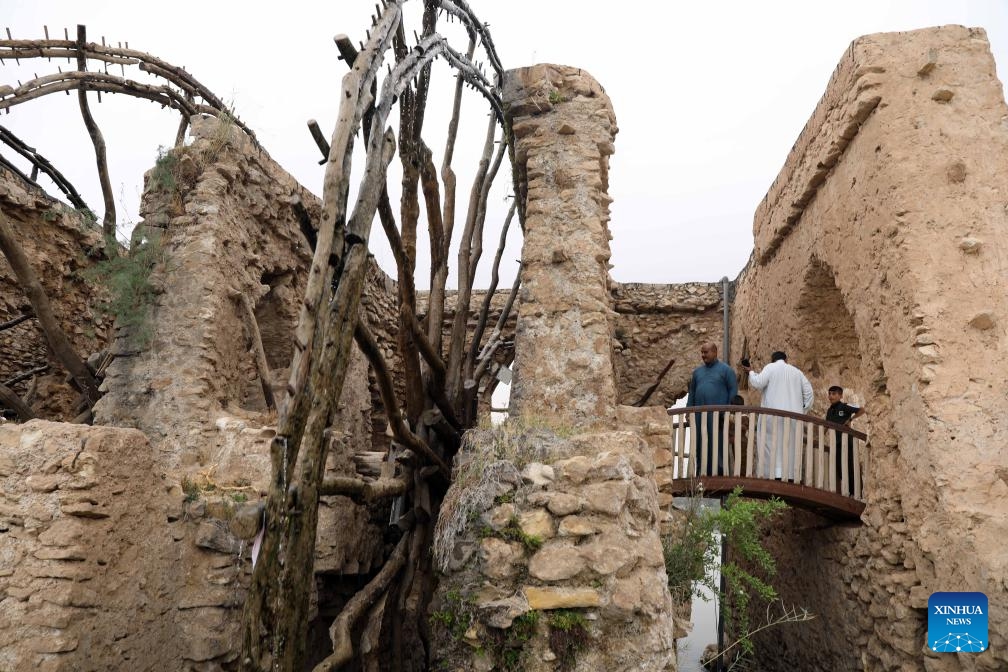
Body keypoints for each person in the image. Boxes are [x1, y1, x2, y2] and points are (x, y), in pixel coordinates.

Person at [741, 351, 813, 480]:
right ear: (786, 359)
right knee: (790, 446)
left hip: (772, 418)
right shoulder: (797, 372)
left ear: (772, 360)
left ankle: (774, 475)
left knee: (772, 445)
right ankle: (791, 475)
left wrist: (750, 372)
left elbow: (758, 382)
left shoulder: (770, 367)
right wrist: (802, 411)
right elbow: (809, 393)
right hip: (793, 419)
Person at [686, 342, 737, 476]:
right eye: (702, 352)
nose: (703, 355)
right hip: (699, 417)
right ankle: (701, 475)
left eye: (706, 352)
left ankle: (720, 475)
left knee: (718, 445)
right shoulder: (697, 373)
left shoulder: (726, 370)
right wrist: (688, 412)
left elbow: (733, 392)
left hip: (718, 418)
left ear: (715, 352)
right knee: (701, 445)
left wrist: (728, 412)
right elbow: (692, 393)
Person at [825, 385, 865, 496]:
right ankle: (846, 492)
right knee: (839, 468)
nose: (831, 396)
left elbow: (862, 410)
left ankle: (855, 493)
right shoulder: (829, 411)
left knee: (850, 466)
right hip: (836, 443)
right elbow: (826, 425)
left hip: (847, 441)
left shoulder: (844, 406)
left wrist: (850, 419)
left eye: (834, 394)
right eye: (829, 394)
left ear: (840, 395)